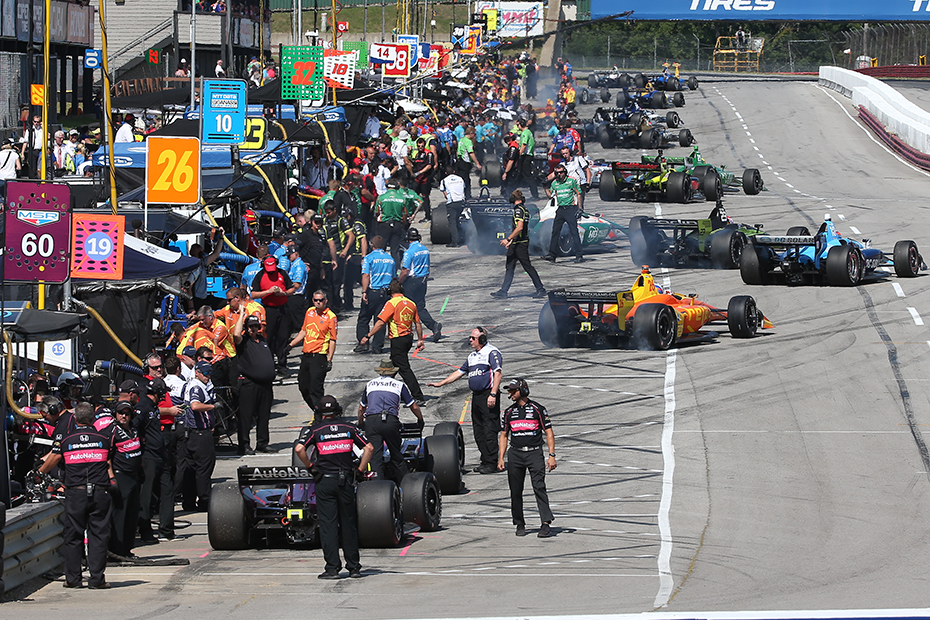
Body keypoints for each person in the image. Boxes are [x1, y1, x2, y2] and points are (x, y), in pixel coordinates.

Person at [295, 395, 374, 580]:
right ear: (338, 410)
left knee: (328, 525)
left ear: (320, 413)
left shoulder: (315, 430)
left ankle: (332, 568)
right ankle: (354, 567)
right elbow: (369, 448)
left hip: (325, 480)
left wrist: (311, 467)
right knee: (348, 524)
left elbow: (299, 449)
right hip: (345, 479)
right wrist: (360, 470)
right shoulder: (349, 428)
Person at [38, 402, 116, 589]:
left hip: (75, 492)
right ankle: (97, 579)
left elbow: (54, 459)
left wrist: (39, 473)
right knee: (99, 535)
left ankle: (73, 579)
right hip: (99, 491)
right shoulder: (103, 438)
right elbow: (108, 462)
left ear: (76, 419)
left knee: (73, 536)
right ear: (92, 419)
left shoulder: (66, 439)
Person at [427, 327, 502, 474]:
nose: (470, 340)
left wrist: (493, 394)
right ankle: (485, 460)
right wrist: (441, 383)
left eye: (473, 338)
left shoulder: (491, 352)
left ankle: (491, 463)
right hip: (477, 396)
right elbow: (459, 372)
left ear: (482, 339)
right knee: (478, 430)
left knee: (489, 430)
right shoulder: (472, 356)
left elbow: (498, 373)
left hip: (488, 394)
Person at [498, 377, 556, 538]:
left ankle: (545, 523)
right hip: (515, 453)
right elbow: (503, 436)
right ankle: (519, 523)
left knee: (539, 487)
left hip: (534, 452)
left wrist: (551, 455)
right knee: (515, 490)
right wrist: (501, 458)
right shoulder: (509, 412)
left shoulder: (538, 409)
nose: (510, 393)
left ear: (523, 390)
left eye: (513, 390)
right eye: (510, 390)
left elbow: (549, 432)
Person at [359, 279, 426, 405]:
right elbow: (417, 323)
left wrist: (368, 336)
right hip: (408, 338)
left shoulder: (391, 303)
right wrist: (420, 339)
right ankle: (385, 390)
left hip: (398, 339)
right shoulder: (411, 303)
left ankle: (418, 396)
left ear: (389, 291)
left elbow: (380, 322)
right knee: (392, 366)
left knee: (404, 368)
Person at [357, 359, 424, 483]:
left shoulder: (370, 384)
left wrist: (361, 423)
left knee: (375, 457)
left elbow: (362, 408)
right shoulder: (399, 385)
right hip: (390, 421)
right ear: (393, 373)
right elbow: (413, 406)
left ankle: (378, 486)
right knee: (396, 455)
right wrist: (420, 419)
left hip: (372, 422)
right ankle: (405, 484)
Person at [135, 377, 176, 542]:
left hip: (161, 455)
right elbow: (134, 427)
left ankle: (166, 530)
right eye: (163, 394)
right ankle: (145, 531)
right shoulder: (142, 407)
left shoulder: (154, 407)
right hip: (148, 457)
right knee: (146, 494)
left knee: (167, 491)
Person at [289, 290, 337, 416]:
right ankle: (318, 411)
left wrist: (329, 359)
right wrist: (290, 345)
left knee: (315, 389)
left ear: (325, 301)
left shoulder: (330, 316)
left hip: (319, 356)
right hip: (306, 355)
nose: (318, 302)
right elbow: (303, 331)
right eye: (316, 300)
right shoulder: (309, 312)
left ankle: (322, 416)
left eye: (320, 300)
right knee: (303, 386)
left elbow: (332, 340)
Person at [233, 313, 276, 454]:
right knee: (246, 417)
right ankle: (244, 445)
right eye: (250, 326)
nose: (253, 329)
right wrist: (241, 313)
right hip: (249, 384)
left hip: (266, 385)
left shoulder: (262, 340)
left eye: (256, 326)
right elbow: (236, 334)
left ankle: (262, 443)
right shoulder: (243, 341)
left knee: (264, 416)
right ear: (246, 327)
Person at [491, 190, 546, 299]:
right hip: (516, 242)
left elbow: (520, 227)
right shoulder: (524, 209)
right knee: (510, 267)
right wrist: (511, 241)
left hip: (520, 244)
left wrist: (508, 239)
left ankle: (541, 289)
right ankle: (503, 291)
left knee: (527, 266)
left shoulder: (518, 210)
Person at [178, 361, 218, 510]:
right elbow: (195, 405)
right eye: (205, 373)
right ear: (197, 372)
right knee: (203, 468)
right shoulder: (196, 386)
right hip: (200, 434)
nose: (208, 377)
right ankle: (204, 501)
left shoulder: (193, 385)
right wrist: (213, 406)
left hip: (192, 434)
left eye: (210, 373)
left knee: (191, 469)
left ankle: (188, 502)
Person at [251, 254, 297, 373]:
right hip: (269, 309)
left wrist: (284, 293)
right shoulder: (260, 275)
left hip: (283, 308)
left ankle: (282, 364)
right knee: (269, 337)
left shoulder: (282, 273)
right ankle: (270, 364)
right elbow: (254, 294)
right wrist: (268, 292)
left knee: (283, 336)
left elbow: (292, 289)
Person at [109, 400, 142, 558]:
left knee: (132, 514)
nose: (124, 416)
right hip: (120, 476)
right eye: (121, 413)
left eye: (127, 413)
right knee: (120, 515)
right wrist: (111, 478)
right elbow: (106, 457)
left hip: (134, 476)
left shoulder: (134, 429)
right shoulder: (113, 431)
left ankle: (127, 549)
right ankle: (117, 550)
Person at [399, 228, 441, 342]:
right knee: (420, 307)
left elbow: (405, 271)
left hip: (411, 282)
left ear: (408, 239)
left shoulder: (409, 252)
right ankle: (433, 326)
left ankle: (404, 332)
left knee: (406, 307)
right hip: (423, 280)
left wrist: (398, 283)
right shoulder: (425, 250)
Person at [355, 235, 395, 354]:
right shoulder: (390, 259)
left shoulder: (369, 258)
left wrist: (363, 291)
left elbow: (366, 275)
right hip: (386, 292)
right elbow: (393, 277)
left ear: (372, 245)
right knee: (381, 320)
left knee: (364, 318)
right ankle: (377, 346)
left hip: (373, 291)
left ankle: (363, 343)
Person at [543, 164, 584, 264]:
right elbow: (550, 196)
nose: (559, 174)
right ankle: (552, 255)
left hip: (570, 209)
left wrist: (580, 208)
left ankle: (579, 255)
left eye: (561, 172)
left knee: (574, 232)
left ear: (565, 172)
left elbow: (579, 194)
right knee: (555, 232)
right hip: (560, 209)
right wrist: (545, 186)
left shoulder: (571, 181)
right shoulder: (555, 183)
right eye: (557, 173)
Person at [372, 177, 409, 267]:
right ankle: (395, 271)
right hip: (397, 224)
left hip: (384, 225)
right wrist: (402, 226)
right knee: (395, 250)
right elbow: (404, 215)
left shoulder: (381, 198)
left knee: (381, 249)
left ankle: (381, 268)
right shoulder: (402, 199)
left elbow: (376, 213)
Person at [439, 165, 466, 248]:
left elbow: (444, 192)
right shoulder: (460, 178)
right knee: (458, 220)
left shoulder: (444, 180)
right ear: (454, 171)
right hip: (461, 202)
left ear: (446, 173)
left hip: (452, 203)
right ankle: (462, 237)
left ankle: (455, 241)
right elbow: (463, 188)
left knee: (452, 222)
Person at [455, 126, 481, 200]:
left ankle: (461, 194)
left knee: (461, 179)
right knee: (466, 180)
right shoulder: (468, 141)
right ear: (471, 133)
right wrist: (477, 163)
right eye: (474, 134)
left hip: (459, 161)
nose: (475, 136)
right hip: (465, 162)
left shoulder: (461, 140)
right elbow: (471, 153)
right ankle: (467, 196)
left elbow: (457, 152)